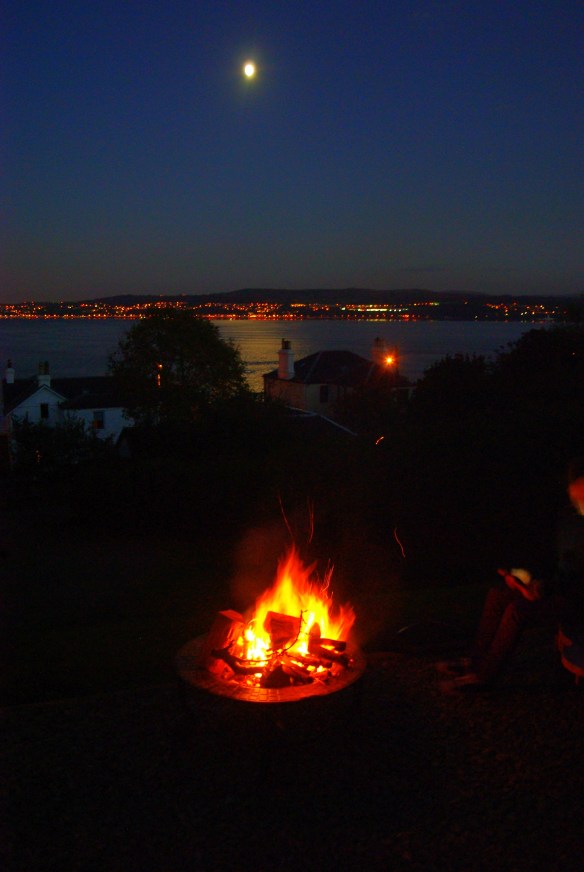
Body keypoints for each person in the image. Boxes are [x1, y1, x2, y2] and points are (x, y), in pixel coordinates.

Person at [440, 459, 584, 692]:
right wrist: (524, 576)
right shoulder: (569, 518)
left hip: (575, 598)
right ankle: (475, 661)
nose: (577, 499)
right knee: (498, 594)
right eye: (575, 494)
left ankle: (483, 677)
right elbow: (555, 561)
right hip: (559, 587)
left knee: (516, 612)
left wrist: (547, 589)